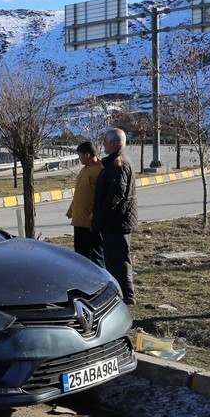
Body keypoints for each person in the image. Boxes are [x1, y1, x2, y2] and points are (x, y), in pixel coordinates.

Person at [91, 128, 138, 305]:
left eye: (105, 141)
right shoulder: (116, 161)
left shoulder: (118, 163)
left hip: (117, 221)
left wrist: (104, 210)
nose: (103, 144)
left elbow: (117, 192)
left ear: (113, 143)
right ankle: (119, 292)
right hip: (116, 220)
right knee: (112, 258)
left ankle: (126, 294)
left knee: (118, 258)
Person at [65, 140, 104, 267]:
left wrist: (95, 214)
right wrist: (71, 209)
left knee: (95, 255)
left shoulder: (100, 170)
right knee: (81, 255)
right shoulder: (85, 169)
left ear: (87, 154)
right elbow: (80, 193)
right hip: (79, 220)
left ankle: (101, 280)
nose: (79, 157)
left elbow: (102, 197)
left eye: (80, 154)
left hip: (91, 222)